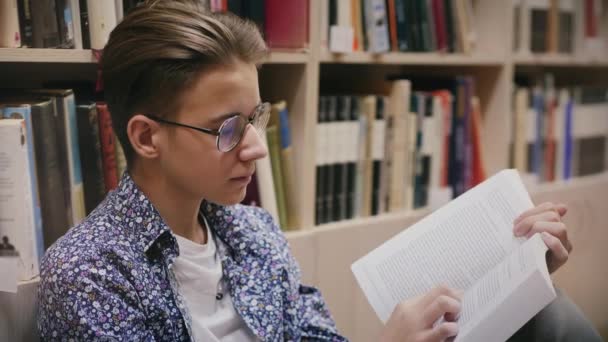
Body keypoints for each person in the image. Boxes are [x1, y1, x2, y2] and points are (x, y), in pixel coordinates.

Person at [37, 1, 602, 341]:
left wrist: (516, 278)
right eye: (226, 129)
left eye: (254, 118)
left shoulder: (252, 233)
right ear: (146, 136)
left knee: (548, 313)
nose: (256, 148)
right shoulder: (89, 273)